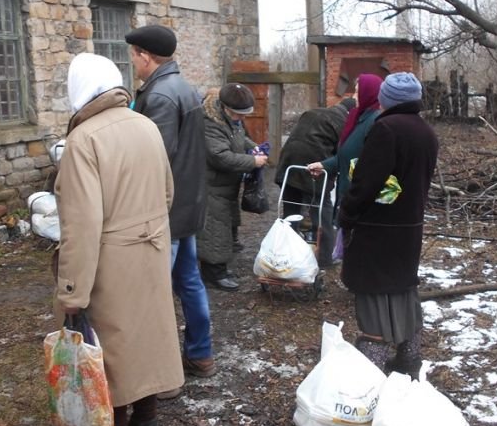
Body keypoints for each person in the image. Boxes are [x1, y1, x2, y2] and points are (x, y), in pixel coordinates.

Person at [55, 53, 184, 426]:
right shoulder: (143, 124)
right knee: (145, 339)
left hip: (109, 257)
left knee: (109, 349)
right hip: (151, 249)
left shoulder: (84, 139)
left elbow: (82, 222)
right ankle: (148, 425)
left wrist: (72, 290)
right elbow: (167, 192)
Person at [126, 24, 216, 383]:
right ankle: (200, 354)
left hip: (167, 211)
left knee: (157, 291)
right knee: (190, 282)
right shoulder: (184, 88)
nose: (133, 62)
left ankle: (158, 370)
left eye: (134, 55)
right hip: (187, 204)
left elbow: (155, 158)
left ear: (146, 56)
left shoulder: (161, 96)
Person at [337, 72, 439, 380]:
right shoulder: (426, 132)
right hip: (410, 227)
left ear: (388, 99)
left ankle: (371, 368)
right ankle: (409, 357)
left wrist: (347, 213)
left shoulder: (386, 129)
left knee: (372, 293)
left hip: (378, 228)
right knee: (403, 287)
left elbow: (367, 182)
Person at [196, 83, 268, 291]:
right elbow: (220, 156)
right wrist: (252, 162)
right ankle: (213, 274)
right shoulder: (209, 123)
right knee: (214, 230)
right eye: (239, 114)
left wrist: (252, 147)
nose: (242, 119)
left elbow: (239, 137)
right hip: (211, 185)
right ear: (226, 108)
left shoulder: (229, 119)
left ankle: (219, 269)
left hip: (225, 185)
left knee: (224, 227)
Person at [275, 97, 355, 267]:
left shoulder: (313, 112)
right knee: (322, 211)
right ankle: (326, 258)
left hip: (289, 162)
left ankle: (288, 254)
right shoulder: (344, 123)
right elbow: (341, 155)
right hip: (315, 167)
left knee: (290, 213)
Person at [307, 73, 383, 217]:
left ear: (369, 93)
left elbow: (371, 164)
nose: (354, 97)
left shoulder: (375, 122)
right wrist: (325, 165)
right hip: (347, 196)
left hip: (359, 202)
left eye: (357, 92)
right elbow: (347, 154)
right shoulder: (357, 118)